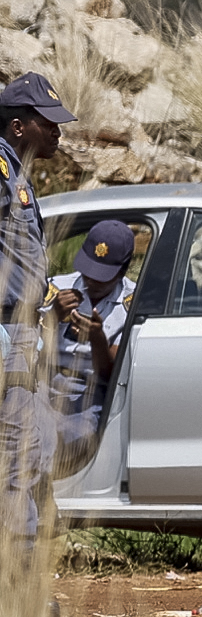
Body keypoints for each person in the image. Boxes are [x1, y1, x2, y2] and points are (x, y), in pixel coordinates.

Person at [0, 71, 73, 551]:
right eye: (48, 123)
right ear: (18, 125)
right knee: (17, 447)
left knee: (31, 447)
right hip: (7, 331)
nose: (57, 132)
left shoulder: (16, 173)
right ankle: (20, 576)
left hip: (22, 331)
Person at [41, 219, 137, 460]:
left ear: (123, 271)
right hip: (46, 382)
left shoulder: (132, 304)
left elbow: (110, 376)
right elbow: (26, 351)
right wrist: (52, 319)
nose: (91, 281)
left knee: (75, 438)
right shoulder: (54, 289)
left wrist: (97, 339)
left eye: (102, 276)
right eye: (88, 271)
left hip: (90, 391)